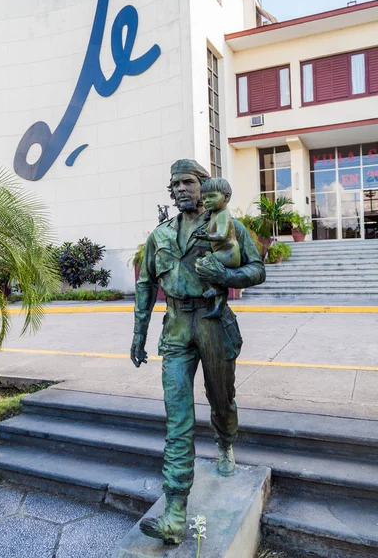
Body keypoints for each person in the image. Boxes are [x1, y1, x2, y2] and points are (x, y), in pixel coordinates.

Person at [130, 159, 265, 545]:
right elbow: (144, 287)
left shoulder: (224, 223)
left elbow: (257, 269)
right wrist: (138, 335)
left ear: (204, 186)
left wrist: (225, 277)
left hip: (212, 324)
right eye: (175, 184)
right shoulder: (159, 236)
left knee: (221, 399)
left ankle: (225, 440)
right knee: (177, 417)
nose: (181, 189)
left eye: (188, 182)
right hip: (175, 328)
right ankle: (174, 511)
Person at [194, 177, 241, 319]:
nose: (206, 201)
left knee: (204, 264)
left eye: (212, 196)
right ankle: (218, 298)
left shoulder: (223, 215)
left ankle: (216, 290)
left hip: (229, 253)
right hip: (222, 252)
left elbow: (220, 235)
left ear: (226, 197)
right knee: (205, 265)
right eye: (204, 198)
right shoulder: (213, 214)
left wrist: (205, 237)